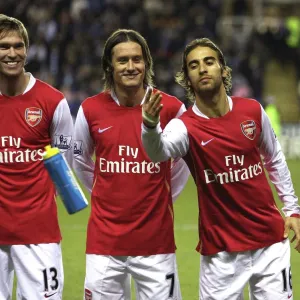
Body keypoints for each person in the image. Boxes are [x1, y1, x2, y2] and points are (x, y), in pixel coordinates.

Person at [141, 37, 300, 299]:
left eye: (209, 62)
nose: (202, 68)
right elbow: (157, 152)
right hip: (221, 256)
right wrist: (149, 126)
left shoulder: (252, 111)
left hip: (271, 244)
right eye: (194, 66)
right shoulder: (185, 127)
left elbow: (274, 159)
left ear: (223, 70)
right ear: (187, 79)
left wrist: (292, 208)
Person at [73, 29, 190, 300]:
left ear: (146, 63)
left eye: (137, 59)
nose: (130, 67)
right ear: (109, 66)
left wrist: (164, 195)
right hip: (104, 244)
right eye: (122, 60)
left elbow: (183, 162)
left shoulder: (171, 108)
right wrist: (104, 192)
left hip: (156, 243)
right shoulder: (90, 109)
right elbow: (79, 160)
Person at [0, 14, 73, 299]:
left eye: (18, 46)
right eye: (4, 46)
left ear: (27, 50)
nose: (12, 53)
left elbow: (63, 163)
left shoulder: (52, 102)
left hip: (38, 232)